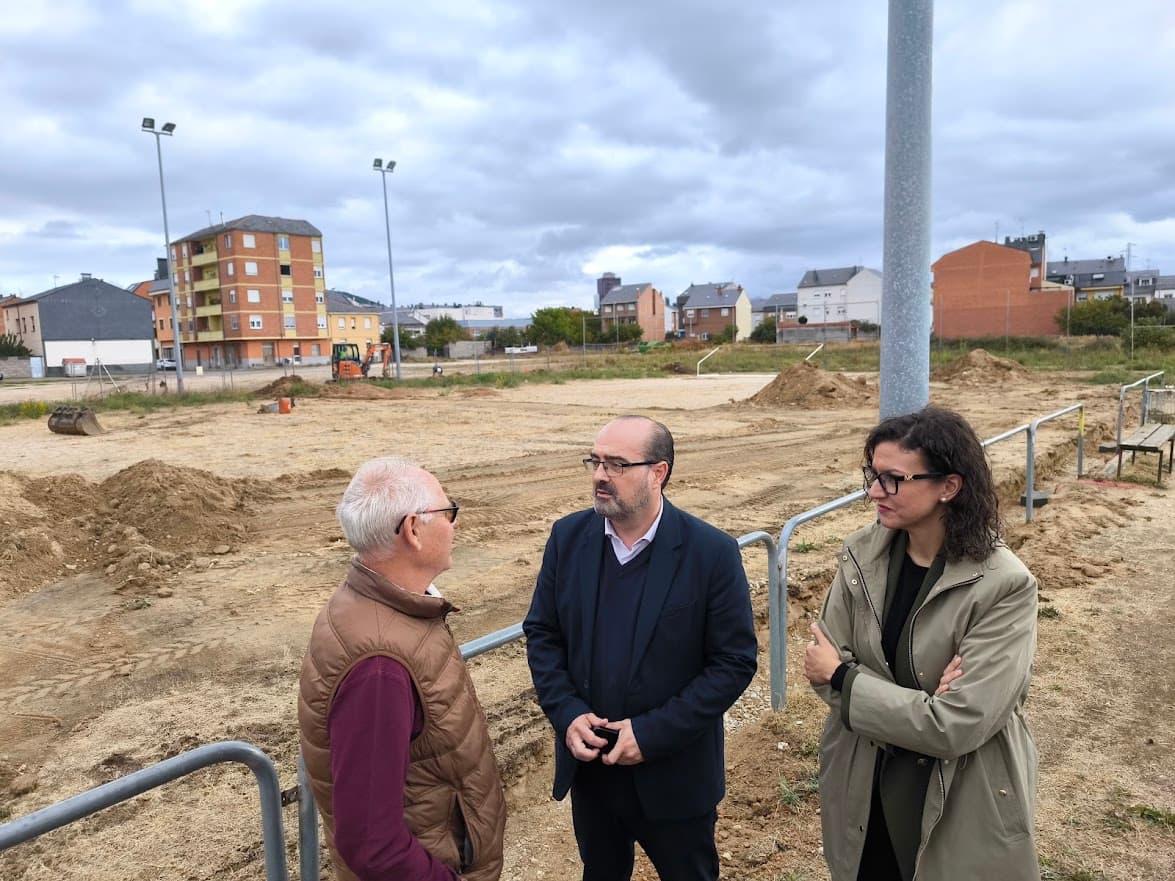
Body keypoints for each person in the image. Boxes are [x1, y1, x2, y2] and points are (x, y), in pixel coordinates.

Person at [804, 406, 1039, 881]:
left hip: (958, 793)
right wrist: (923, 704)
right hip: (861, 783)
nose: (873, 491)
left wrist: (849, 678)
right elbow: (819, 668)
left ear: (948, 487)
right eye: (872, 474)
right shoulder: (859, 554)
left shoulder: (1004, 585)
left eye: (893, 478)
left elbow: (956, 726)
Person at [523, 415, 758, 881]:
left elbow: (733, 663)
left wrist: (651, 734)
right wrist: (567, 713)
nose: (599, 475)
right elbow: (543, 634)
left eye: (616, 465)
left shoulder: (710, 553)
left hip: (674, 776)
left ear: (659, 473)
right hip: (592, 771)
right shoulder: (568, 538)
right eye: (595, 461)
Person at [298, 457, 505, 881]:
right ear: (412, 530)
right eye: (448, 513)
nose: (455, 525)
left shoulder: (380, 606)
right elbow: (372, 844)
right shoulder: (379, 665)